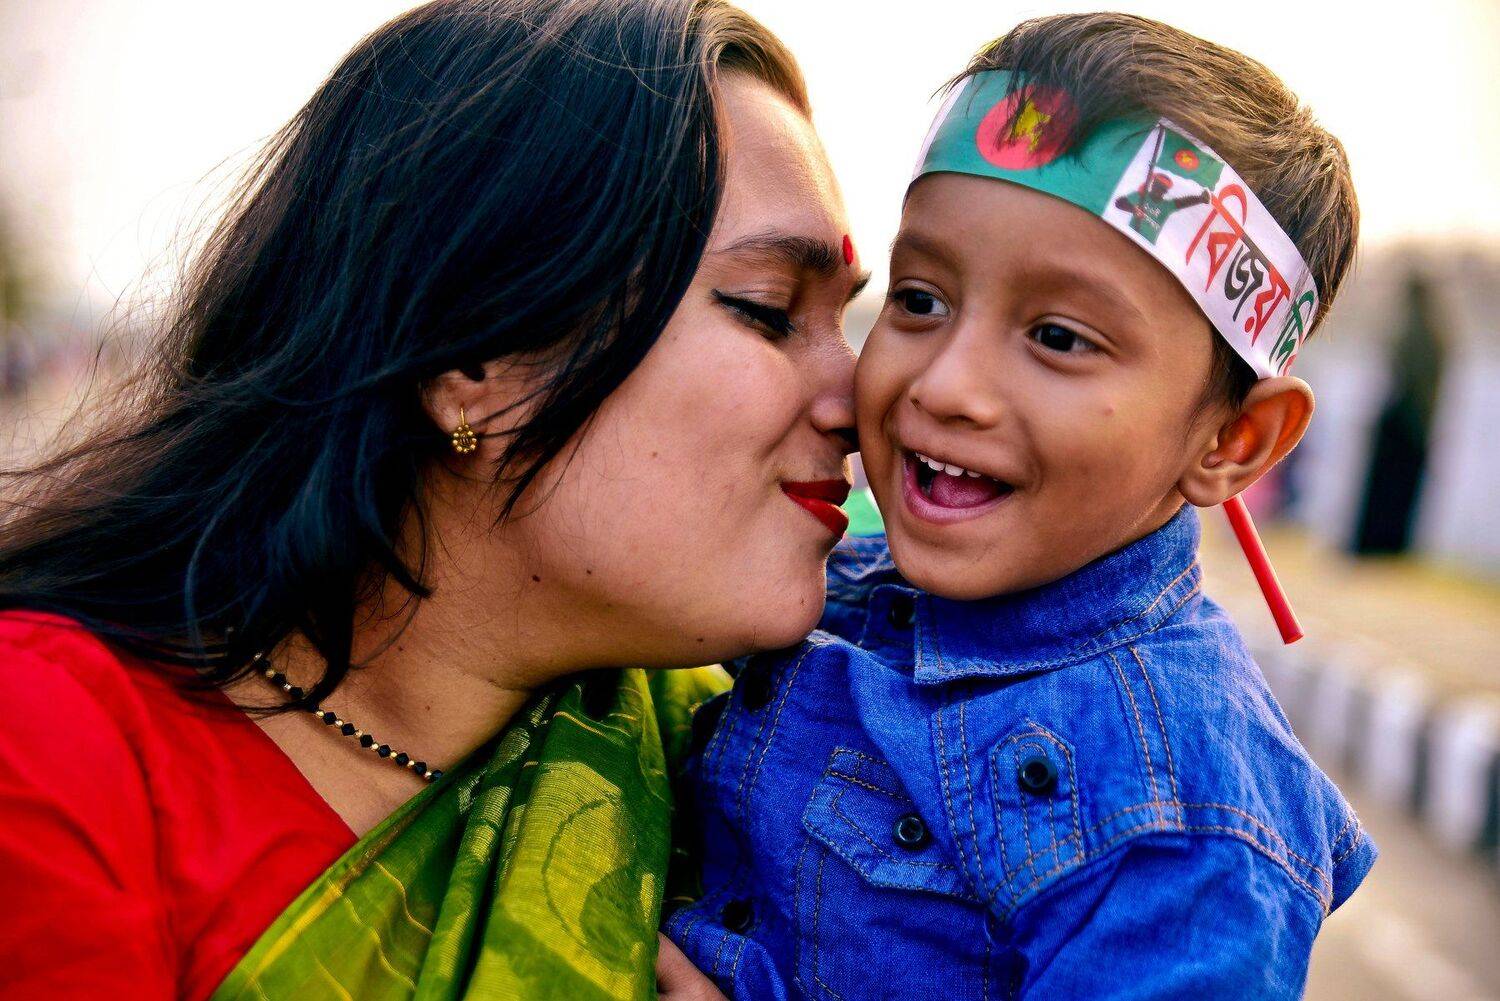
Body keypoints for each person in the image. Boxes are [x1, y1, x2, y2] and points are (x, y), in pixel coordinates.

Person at [0, 1, 868, 998]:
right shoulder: (56, 749)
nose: (861, 400)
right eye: (768, 310)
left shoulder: (748, 789)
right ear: (478, 359)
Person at [668, 14, 1375, 999]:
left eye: (1058, 336)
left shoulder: (1186, 814)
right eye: (920, 300)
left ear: (1232, 440)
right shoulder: (818, 584)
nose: (946, 384)